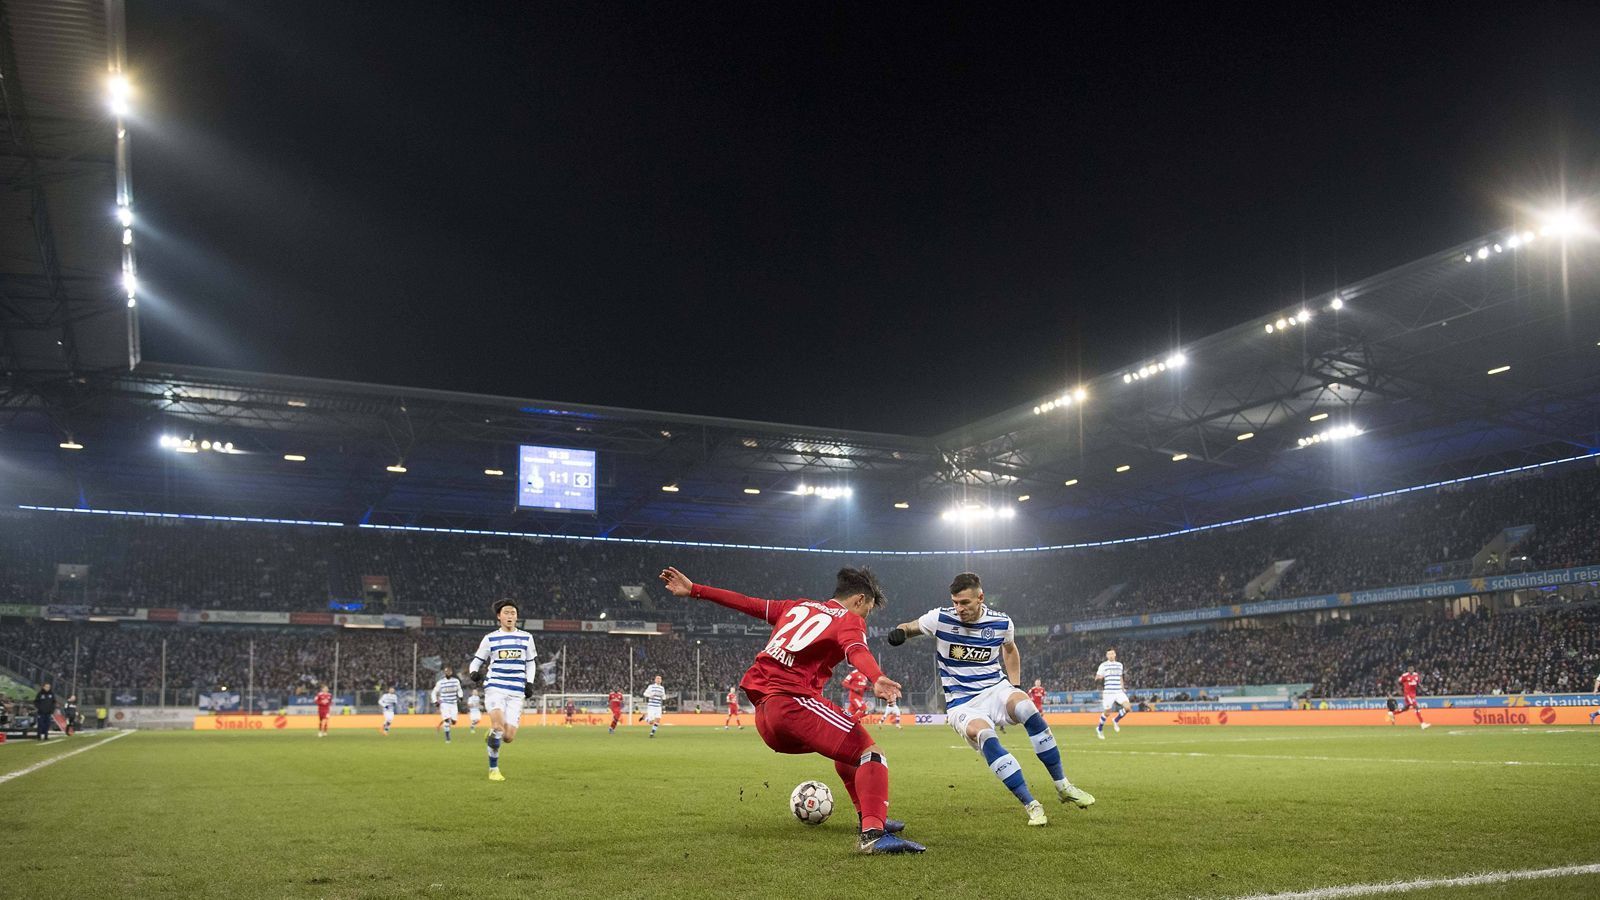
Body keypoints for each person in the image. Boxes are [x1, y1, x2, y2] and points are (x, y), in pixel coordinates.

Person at [660, 564, 924, 854]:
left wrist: (696, 589)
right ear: (859, 600)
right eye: (868, 610)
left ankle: (870, 817)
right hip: (793, 703)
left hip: (765, 713)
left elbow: (747, 603)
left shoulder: (796, 607)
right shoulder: (849, 619)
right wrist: (877, 676)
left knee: (848, 751)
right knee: (871, 754)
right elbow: (856, 650)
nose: (865, 617)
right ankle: (873, 836)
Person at [887, 572, 1094, 827]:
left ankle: (1063, 785)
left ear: (980, 598)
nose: (959, 608)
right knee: (984, 735)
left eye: (965, 603)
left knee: (1027, 708)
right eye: (955, 602)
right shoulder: (940, 618)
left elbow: (1010, 649)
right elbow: (910, 626)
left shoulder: (1001, 622)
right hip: (962, 702)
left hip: (996, 689)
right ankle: (1031, 804)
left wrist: (1015, 686)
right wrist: (900, 632)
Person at [467, 598, 538, 781]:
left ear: (517, 617)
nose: (510, 616)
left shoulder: (527, 638)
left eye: (513, 613)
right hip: (495, 687)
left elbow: (531, 664)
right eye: (506, 612)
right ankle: (494, 769)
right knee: (498, 726)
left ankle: (492, 735)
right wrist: (473, 672)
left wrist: (529, 683)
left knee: (508, 737)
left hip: (516, 691)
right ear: (499, 616)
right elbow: (477, 661)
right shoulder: (490, 638)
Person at [1095, 649, 1132, 739]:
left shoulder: (1120, 665)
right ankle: (1099, 728)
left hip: (1118, 691)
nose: (1111, 655)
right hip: (1108, 692)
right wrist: (1100, 678)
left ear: (1115, 654)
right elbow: (1097, 677)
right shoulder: (1103, 665)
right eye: (1109, 654)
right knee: (1107, 712)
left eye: (1112, 653)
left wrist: (1123, 688)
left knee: (1128, 707)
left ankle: (1116, 720)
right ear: (1107, 656)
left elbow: (1120, 677)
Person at [432, 666, 463, 743]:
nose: (448, 673)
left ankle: (443, 724)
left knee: (454, 722)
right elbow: (434, 692)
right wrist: (435, 701)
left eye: (449, 671)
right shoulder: (440, 682)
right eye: (446, 672)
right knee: (446, 720)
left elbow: (459, 690)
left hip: (453, 703)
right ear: (444, 673)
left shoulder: (456, 681)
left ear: (451, 672)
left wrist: (460, 696)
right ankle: (447, 738)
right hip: (444, 703)